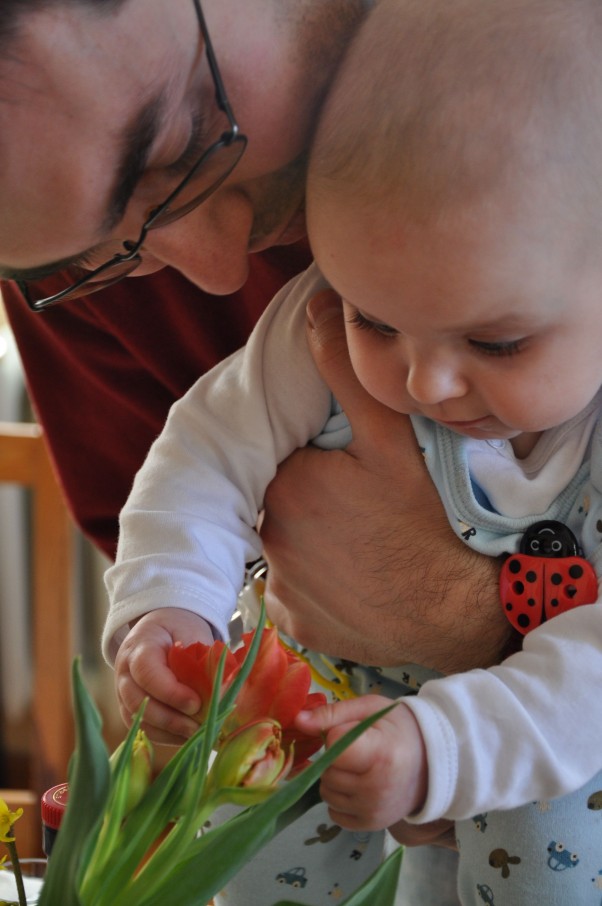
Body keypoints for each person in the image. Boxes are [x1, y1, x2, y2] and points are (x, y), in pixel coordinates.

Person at [103, 0, 602, 902]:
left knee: (550, 850)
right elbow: (204, 459)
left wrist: (438, 747)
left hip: (546, 744)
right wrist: (171, 605)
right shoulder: (316, 321)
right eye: (376, 320)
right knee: (242, 832)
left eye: (495, 344)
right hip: (329, 706)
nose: (424, 384)